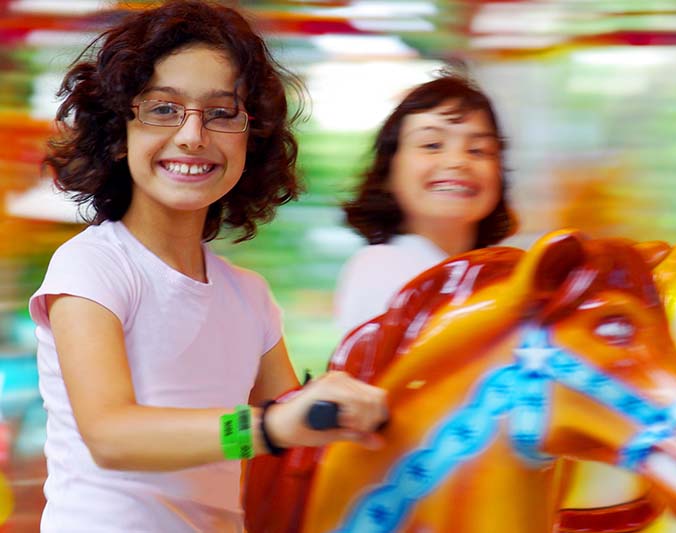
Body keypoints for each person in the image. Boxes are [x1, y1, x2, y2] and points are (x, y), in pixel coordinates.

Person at [29, 1, 386, 531]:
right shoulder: (91, 267)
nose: (193, 135)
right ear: (118, 133)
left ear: (251, 138)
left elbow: (296, 451)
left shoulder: (249, 296)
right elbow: (111, 436)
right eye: (163, 109)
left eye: (221, 113)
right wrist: (267, 428)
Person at [334, 74, 517, 333]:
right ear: (389, 171)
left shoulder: (502, 274)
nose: (457, 161)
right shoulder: (380, 266)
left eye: (477, 150)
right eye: (432, 145)